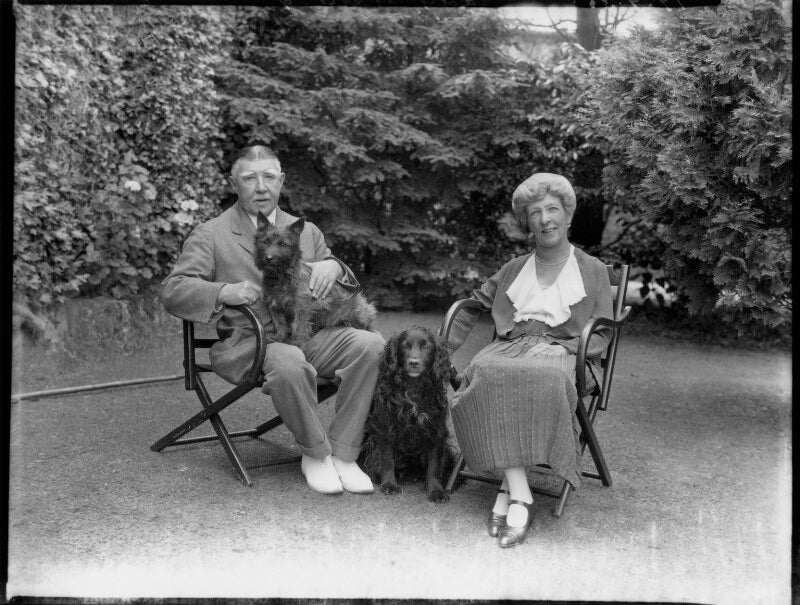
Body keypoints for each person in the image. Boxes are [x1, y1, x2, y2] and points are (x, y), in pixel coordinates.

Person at [161, 144, 384, 496]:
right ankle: (315, 454)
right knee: (289, 361)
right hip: (252, 342)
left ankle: (344, 453)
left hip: (310, 333)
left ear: (281, 181)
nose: (260, 187)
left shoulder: (304, 231)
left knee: (373, 346)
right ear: (234, 183)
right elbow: (173, 289)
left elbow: (345, 284)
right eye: (250, 178)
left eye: (268, 177)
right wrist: (223, 291)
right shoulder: (211, 234)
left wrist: (334, 265)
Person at [449, 172, 613, 548]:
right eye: (535, 212)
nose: (545, 219)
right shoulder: (513, 269)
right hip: (512, 347)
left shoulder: (593, 270)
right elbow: (475, 303)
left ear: (568, 215)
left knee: (541, 376)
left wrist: (569, 349)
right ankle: (519, 493)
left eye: (552, 209)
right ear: (527, 221)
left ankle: (509, 493)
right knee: (484, 370)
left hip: (566, 355)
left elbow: (602, 331)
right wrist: (442, 347)